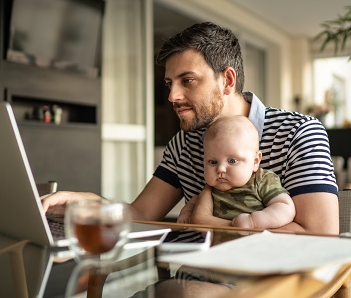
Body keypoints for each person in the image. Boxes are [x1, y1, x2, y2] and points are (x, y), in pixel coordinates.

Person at [42, 21, 339, 239]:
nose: (173, 97)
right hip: (197, 282)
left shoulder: (298, 132)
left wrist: (219, 228)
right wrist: (90, 202)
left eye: (188, 80)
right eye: (170, 84)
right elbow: (143, 215)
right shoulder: (183, 144)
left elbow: (321, 235)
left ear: (227, 81)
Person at [177, 115, 295, 229]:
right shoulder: (212, 188)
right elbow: (194, 202)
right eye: (213, 162)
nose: (220, 169)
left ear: (255, 161)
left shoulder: (262, 180)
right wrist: (186, 213)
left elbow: (285, 207)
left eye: (232, 161)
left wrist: (253, 221)